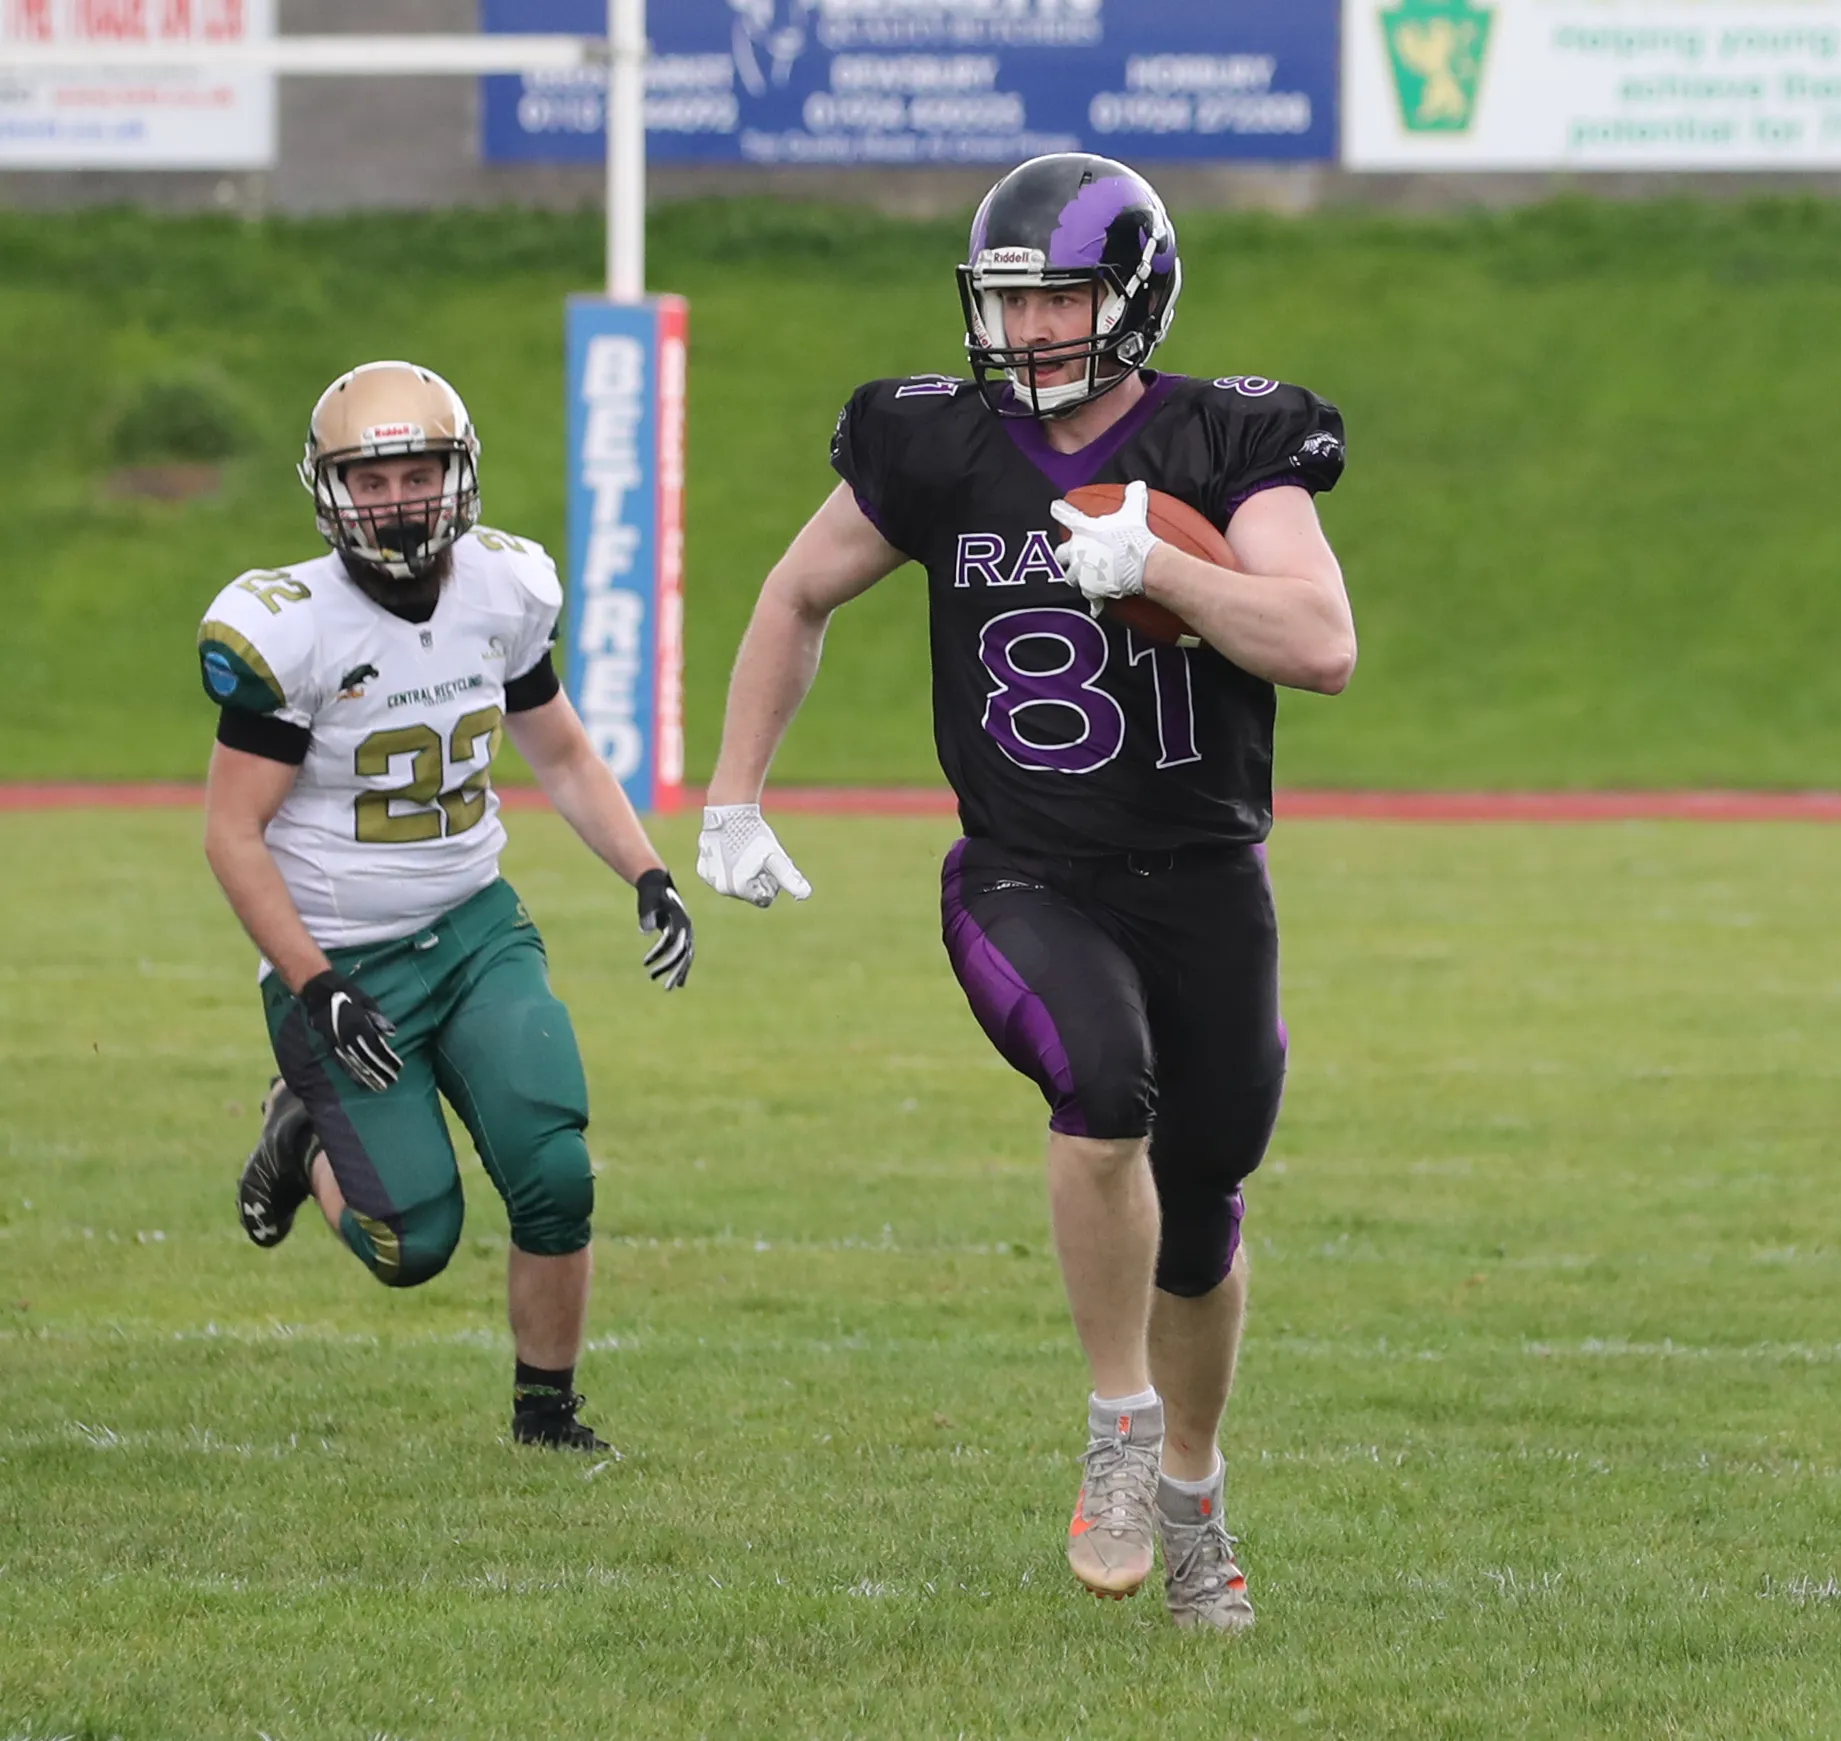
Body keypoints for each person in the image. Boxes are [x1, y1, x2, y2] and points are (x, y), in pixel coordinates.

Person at [695, 154, 1356, 1628]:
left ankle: (1191, 1494)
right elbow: (796, 592)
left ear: (1130, 297)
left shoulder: (1226, 435)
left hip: (1202, 880)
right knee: (1100, 1081)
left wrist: (1163, 574)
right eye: (1007, 300)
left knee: (1203, 1207)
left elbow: (1319, 643)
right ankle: (1117, 1425)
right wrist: (734, 789)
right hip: (1022, 870)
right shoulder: (936, 443)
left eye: (1058, 295)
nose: (1028, 329)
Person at [199, 359, 695, 1453]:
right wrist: (316, 982)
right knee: (407, 1243)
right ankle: (296, 1135)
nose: (395, 500)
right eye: (368, 481)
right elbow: (232, 835)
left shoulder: (506, 586)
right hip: (340, 960)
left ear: (456, 475)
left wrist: (647, 872)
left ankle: (546, 1416)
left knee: (555, 1169)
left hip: (475, 930)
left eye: (415, 471)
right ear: (328, 490)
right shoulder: (288, 629)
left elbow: (559, 751)